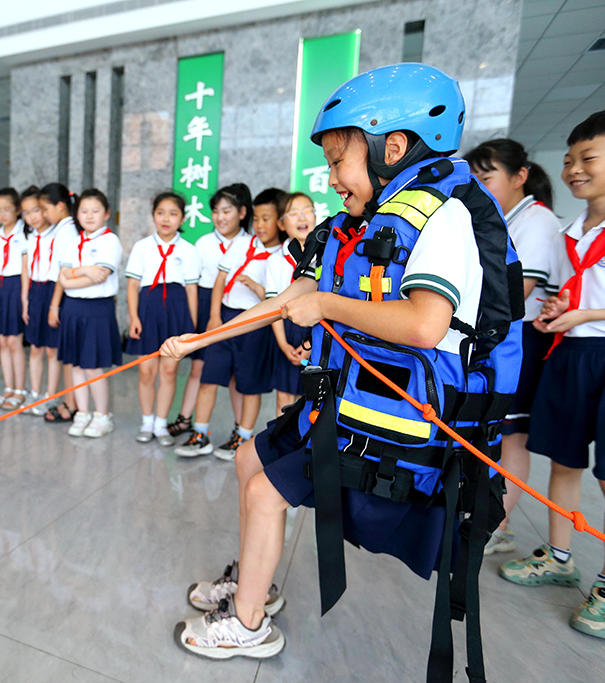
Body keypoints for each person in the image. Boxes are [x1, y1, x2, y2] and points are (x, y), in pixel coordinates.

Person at [166, 64, 522, 678]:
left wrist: (327, 304)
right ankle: (256, 582)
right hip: (341, 409)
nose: (331, 181)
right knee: (252, 458)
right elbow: (286, 300)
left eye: (338, 163)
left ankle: (248, 624)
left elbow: (423, 325)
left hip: (403, 432)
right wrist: (205, 335)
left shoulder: (444, 220)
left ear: (394, 146)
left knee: (261, 488)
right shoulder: (355, 227)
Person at [500, 105, 605, 642]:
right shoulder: (569, 231)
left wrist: (588, 314)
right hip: (570, 352)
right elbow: (569, 293)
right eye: (567, 160)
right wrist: (558, 308)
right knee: (561, 460)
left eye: (588, 157)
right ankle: (559, 555)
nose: (573, 169)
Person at [464, 138, 562, 555]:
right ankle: (488, 517)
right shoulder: (502, 218)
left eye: (486, 178)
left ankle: (498, 526)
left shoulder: (535, 222)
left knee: (511, 436)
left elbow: (513, 295)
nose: (478, 188)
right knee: (497, 433)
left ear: (520, 177)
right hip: (502, 337)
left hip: (523, 339)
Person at [174, 186, 283, 460]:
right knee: (209, 377)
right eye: (256, 219)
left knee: (248, 384)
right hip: (225, 316)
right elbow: (220, 280)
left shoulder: (283, 256)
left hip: (255, 325)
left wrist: (256, 287)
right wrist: (214, 317)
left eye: (266, 219)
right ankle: (200, 433)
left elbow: (275, 299)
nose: (259, 225)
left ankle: (243, 437)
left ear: (280, 221)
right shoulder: (243, 244)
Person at [167, 185, 250, 440]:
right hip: (207, 307)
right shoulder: (203, 243)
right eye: (215, 211)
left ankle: (240, 429)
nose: (220, 217)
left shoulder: (251, 244)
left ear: (242, 213)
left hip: (237, 310)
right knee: (200, 368)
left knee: (238, 373)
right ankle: (185, 419)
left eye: (227, 210)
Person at [125, 192, 199, 445]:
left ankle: (160, 424)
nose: (166, 219)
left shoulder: (189, 250)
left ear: (182, 218)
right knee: (146, 372)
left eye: (173, 213)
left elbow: (191, 289)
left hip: (176, 311)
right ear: (154, 215)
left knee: (169, 371)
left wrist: (191, 324)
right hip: (147, 310)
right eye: (160, 212)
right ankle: (146, 422)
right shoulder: (142, 247)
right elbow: (133, 285)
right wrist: (133, 317)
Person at [57, 189, 122, 437]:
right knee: (76, 365)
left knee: (93, 366)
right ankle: (82, 412)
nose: (89, 216)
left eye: (95, 211)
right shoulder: (73, 242)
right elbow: (63, 280)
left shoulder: (110, 241)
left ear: (106, 213)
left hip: (98, 308)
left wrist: (73, 275)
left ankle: (102, 416)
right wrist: (84, 270)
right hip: (72, 308)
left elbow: (100, 277)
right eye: (84, 211)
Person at [264, 192, 317, 415]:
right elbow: (272, 305)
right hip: (285, 331)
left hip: (315, 331)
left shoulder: (325, 255)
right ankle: (280, 447)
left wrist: (310, 347)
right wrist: (284, 345)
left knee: (310, 398)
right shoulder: (275, 260)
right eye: (293, 213)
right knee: (284, 399)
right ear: (281, 224)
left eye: (307, 211)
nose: (301, 217)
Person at [0, 187, 30, 410]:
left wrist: (24, 297)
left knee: (14, 341)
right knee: (2, 341)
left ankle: (20, 390)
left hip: (15, 287)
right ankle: (8, 388)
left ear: (18, 210)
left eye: (7, 209)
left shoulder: (25, 234)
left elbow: (24, 268)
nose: (2, 214)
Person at [40, 183, 81, 424]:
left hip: (63, 295)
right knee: (64, 353)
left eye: (46, 209)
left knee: (67, 354)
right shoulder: (64, 229)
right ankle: (70, 400)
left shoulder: (66, 232)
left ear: (60, 206)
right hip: (61, 293)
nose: (44, 215)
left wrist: (54, 304)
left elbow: (63, 273)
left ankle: (71, 403)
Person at [20, 185, 62, 415]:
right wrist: (25, 299)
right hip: (35, 291)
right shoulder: (28, 237)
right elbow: (26, 268)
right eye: (26, 213)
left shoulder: (58, 234)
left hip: (53, 290)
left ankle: (50, 396)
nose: (31, 217)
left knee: (51, 350)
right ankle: (35, 394)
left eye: (36, 210)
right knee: (35, 347)